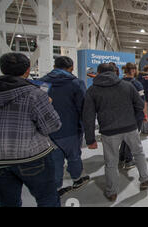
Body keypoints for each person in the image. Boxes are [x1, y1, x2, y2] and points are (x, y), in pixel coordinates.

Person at [0, 53, 62, 207]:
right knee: (47, 198)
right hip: (32, 156)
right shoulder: (35, 94)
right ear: (27, 70)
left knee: (7, 202)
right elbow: (52, 126)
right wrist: (48, 103)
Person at [83, 63, 148, 202]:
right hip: (130, 127)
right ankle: (145, 179)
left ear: (99, 72)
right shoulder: (127, 86)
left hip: (109, 131)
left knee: (111, 162)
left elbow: (88, 116)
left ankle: (112, 192)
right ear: (114, 72)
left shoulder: (92, 90)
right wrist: (135, 123)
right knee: (138, 153)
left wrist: (90, 139)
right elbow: (139, 105)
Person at [39, 56, 90, 197]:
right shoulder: (76, 83)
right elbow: (83, 106)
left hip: (47, 129)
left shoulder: (43, 82)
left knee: (55, 160)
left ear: (54, 66)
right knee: (74, 156)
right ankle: (77, 179)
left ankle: (56, 188)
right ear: (71, 67)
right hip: (71, 127)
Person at [119, 63, 147, 170]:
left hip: (122, 115)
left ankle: (121, 157)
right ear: (134, 70)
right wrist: (145, 114)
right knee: (132, 138)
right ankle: (129, 160)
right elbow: (142, 101)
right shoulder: (137, 84)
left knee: (123, 137)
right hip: (135, 115)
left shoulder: (119, 82)